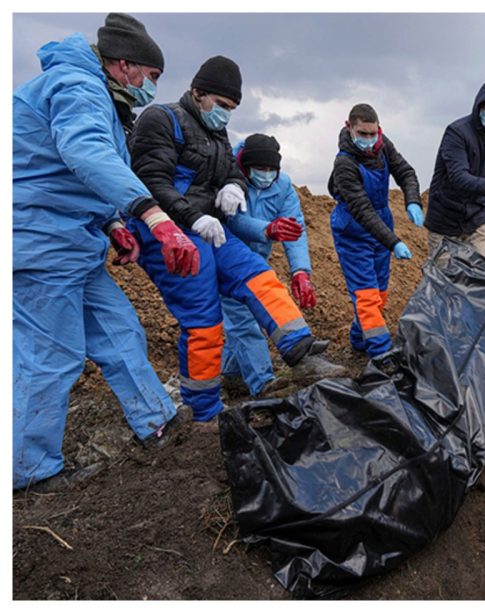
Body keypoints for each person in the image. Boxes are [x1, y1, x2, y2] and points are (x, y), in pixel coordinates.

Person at [13, 13, 195, 490]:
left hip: (72, 242)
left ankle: (157, 423)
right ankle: (28, 471)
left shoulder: (97, 95)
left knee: (120, 331)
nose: (151, 87)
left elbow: (70, 174)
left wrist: (113, 223)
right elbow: (86, 153)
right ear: (124, 65)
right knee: (50, 355)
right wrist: (153, 215)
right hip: (37, 240)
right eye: (151, 76)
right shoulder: (78, 86)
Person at [130, 55, 345, 423]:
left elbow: (232, 171)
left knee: (259, 277)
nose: (226, 114)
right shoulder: (161, 119)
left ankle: (302, 353)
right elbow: (150, 180)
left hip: (211, 229)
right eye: (222, 104)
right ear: (198, 93)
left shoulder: (216, 134)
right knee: (205, 321)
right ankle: (205, 412)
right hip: (169, 231)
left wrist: (233, 185)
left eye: (231, 108)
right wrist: (192, 217)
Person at [327, 103, 422, 358]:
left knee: (379, 293)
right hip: (353, 232)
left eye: (373, 133)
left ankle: (359, 339)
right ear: (349, 128)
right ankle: (381, 355)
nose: (369, 140)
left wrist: (412, 199)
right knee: (366, 296)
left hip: (381, 225)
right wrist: (394, 242)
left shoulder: (383, 145)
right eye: (363, 134)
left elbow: (405, 172)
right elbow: (362, 210)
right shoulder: (344, 163)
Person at [223, 134, 312, 395]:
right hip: (227, 258)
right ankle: (263, 384)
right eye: (260, 169)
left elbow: (295, 228)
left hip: (256, 262)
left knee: (245, 316)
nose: (266, 174)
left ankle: (232, 375)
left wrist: (300, 271)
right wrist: (266, 229)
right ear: (245, 165)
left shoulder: (282, 186)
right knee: (242, 320)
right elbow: (230, 219)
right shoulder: (228, 177)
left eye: (271, 169)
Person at [425, 76, 485, 259]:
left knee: (480, 272)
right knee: (443, 275)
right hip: (446, 218)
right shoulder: (457, 133)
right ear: (479, 106)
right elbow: (458, 177)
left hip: (476, 217)